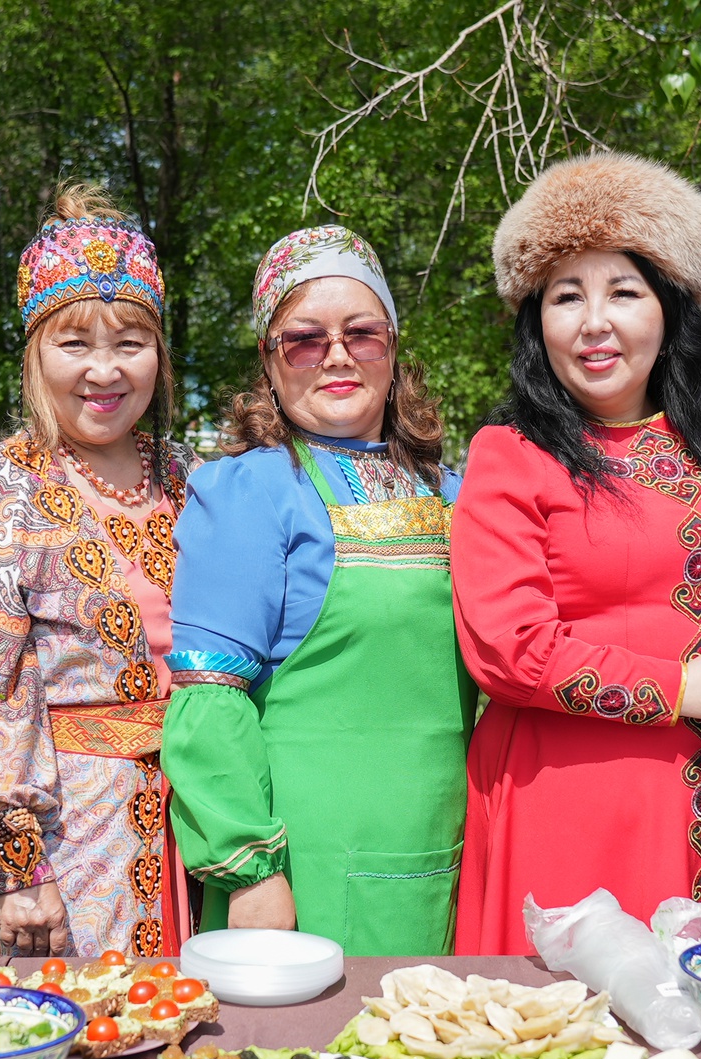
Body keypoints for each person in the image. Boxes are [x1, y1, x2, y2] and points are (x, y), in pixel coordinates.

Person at [449, 152, 701, 954]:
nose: (593, 321)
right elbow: (508, 652)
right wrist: (682, 688)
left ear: (671, 311)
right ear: (537, 322)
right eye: (566, 296)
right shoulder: (511, 453)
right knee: (568, 1040)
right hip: (568, 795)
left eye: (623, 292)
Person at [162, 225, 473, 954]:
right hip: (305, 867)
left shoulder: (462, 497)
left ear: (393, 349)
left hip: (451, 853)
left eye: (361, 333)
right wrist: (250, 870)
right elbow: (209, 703)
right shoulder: (248, 493)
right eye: (304, 338)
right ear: (270, 364)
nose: (336, 355)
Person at [0, 187, 189, 959]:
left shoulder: (195, 479)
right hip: (62, 841)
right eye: (75, 344)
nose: (104, 370)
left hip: (194, 819)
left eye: (131, 342)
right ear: (35, 352)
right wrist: (22, 865)